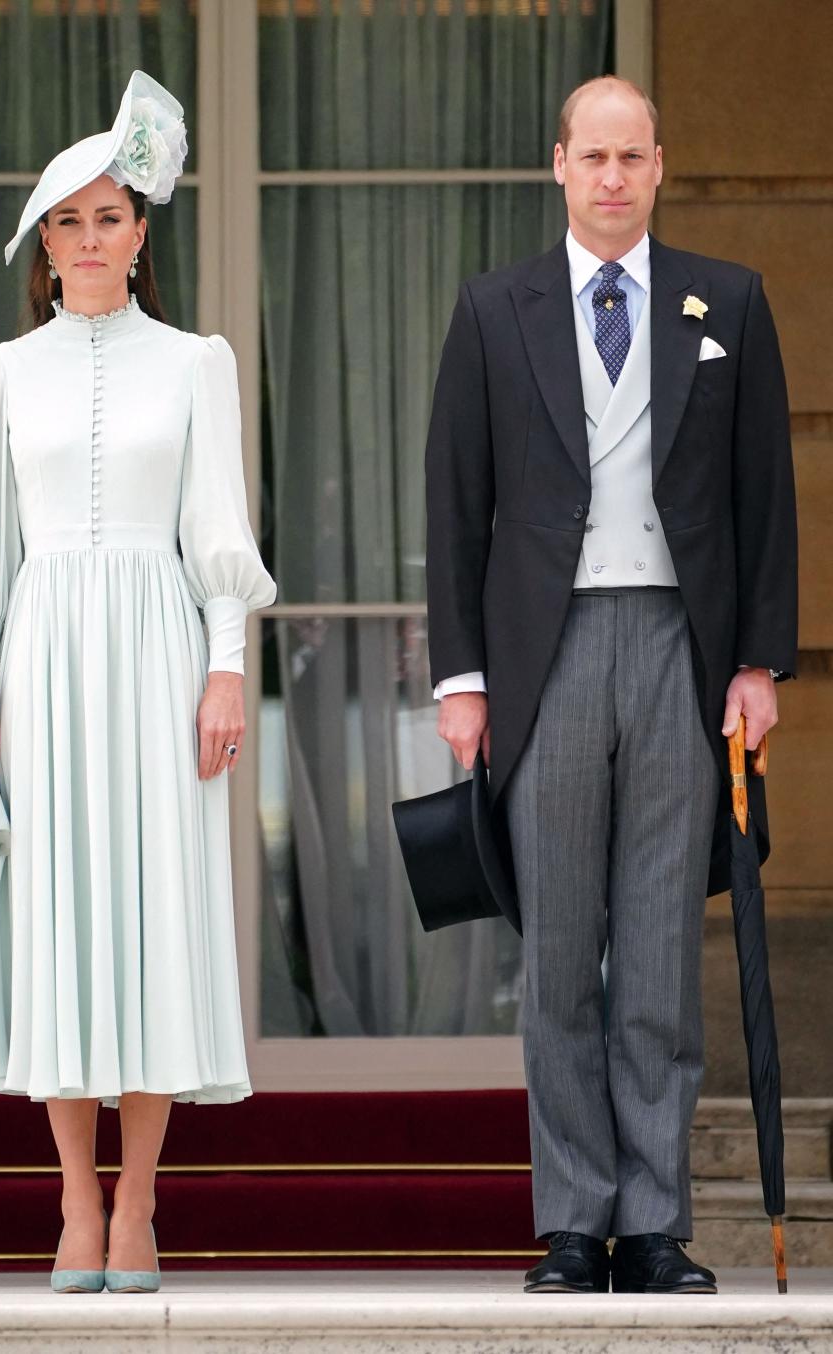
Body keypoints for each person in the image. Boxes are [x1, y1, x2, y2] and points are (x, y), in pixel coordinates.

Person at [425, 76, 797, 1295]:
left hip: (681, 651)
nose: (613, 177)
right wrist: (464, 677)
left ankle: (654, 1223)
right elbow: (456, 505)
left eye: (633, 156)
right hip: (550, 652)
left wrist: (756, 660)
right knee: (559, 952)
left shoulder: (728, 300)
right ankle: (574, 1223)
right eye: (593, 156)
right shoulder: (495, 310)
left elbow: (763, 499)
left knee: (656, 954)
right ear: (559, 164)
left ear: (659, 163)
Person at [0, 71, 275, 1294]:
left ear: (141, 232)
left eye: (110, 217)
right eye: (68, 220)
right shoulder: (0, 372)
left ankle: (139, 1205)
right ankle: (75, 1201)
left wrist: (228, 667)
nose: (90, 239)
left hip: (158, 656)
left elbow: (218, 532)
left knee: (153, 919)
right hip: (39, 659)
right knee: (61, 922)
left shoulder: (196, 362)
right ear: (45, 242)